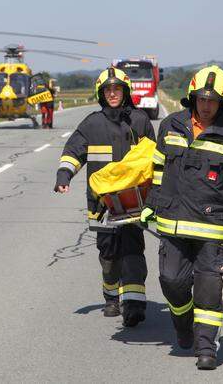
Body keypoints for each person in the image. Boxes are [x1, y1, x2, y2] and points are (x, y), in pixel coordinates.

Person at [141, 65, 223, 370]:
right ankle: (184, 322)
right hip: (172, 224)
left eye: (212, 100)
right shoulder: (171, 126)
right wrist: (151, 203)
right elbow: (159, 171)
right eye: (201, 98)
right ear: (192, 96)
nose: (206, 104)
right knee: (171, 282)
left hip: (211, 228)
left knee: (208, 288)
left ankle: (207, 347)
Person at [55, 67, 156, 326]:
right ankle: (111, 297)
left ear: (125, 92)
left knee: (133, 249)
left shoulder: (140, 121)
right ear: (101, 94)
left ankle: (134, 304)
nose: (113, 93)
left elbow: (155, 159)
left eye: (117, 89)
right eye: (108, 90)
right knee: (109, 254)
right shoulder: (91, 123)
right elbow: (73, 151)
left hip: (134, 201)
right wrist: (64, 176)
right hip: (102, 203)